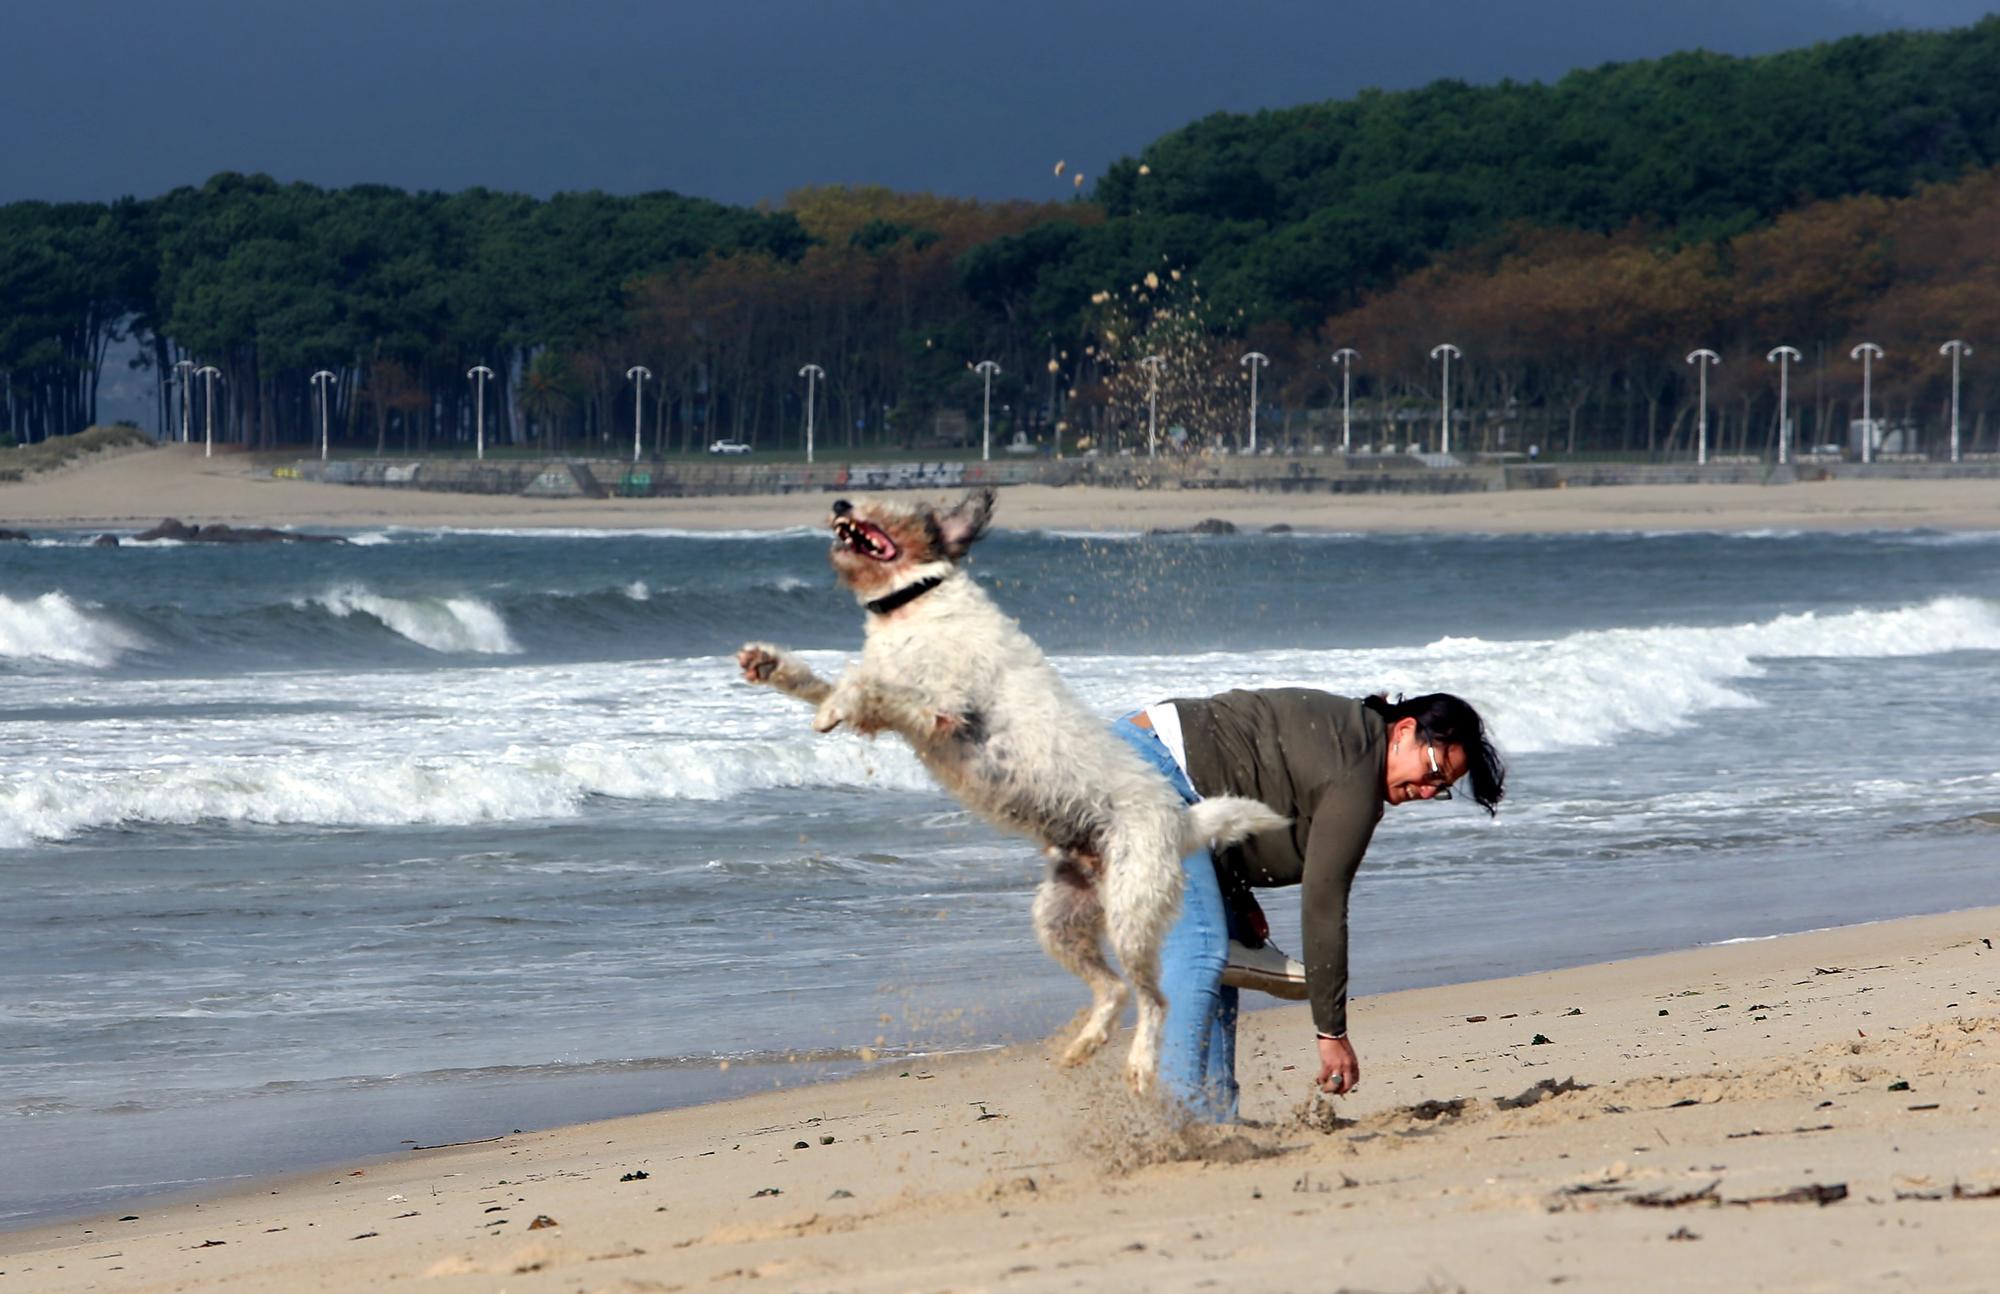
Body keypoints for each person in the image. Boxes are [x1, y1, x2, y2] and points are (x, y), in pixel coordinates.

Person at [1111, 689, 1505, 1121]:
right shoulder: (1357, 767)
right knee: (1201, 948)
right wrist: (1331, 1032)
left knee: (1221, 951)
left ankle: (1215, 1119)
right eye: (1433, 770)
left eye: (1442, 788)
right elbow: (1324, 903)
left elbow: (1237, 777)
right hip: (1146, 774)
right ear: (1406, 730)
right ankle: (1181, 1118)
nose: (1429, 792)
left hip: (1138, 759)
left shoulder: (1354, 740)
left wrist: (1237, 899)